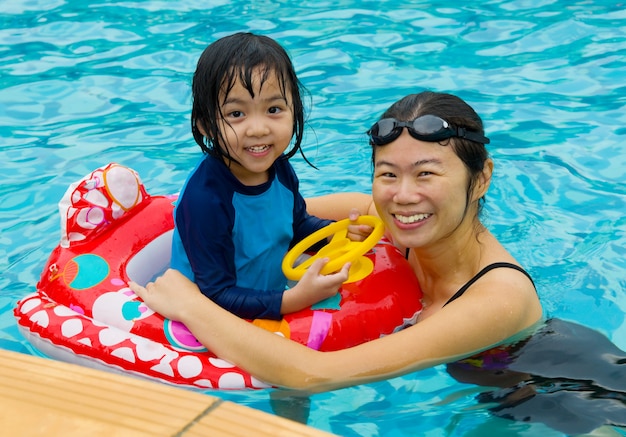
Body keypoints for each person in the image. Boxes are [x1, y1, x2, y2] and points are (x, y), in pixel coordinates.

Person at [130, 90, 543, 392]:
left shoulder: (495, 299)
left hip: (553, 403)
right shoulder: (389, 219)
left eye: (426, 174)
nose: (401, 196)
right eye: (387, 174)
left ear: (482, 177)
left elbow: (315, 374)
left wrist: (191, 304)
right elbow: (267, 216)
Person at [171, 32, 351, 320]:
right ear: (205, 124)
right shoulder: (205, 200)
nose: (258, 129)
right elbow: (215, 294)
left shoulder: (280, 170)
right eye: (236, 114)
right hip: (211, 321)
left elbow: (295, 226)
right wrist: (292, 299)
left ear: (296, 110)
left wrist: (334, 235)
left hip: (264, 297)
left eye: (274, 109)